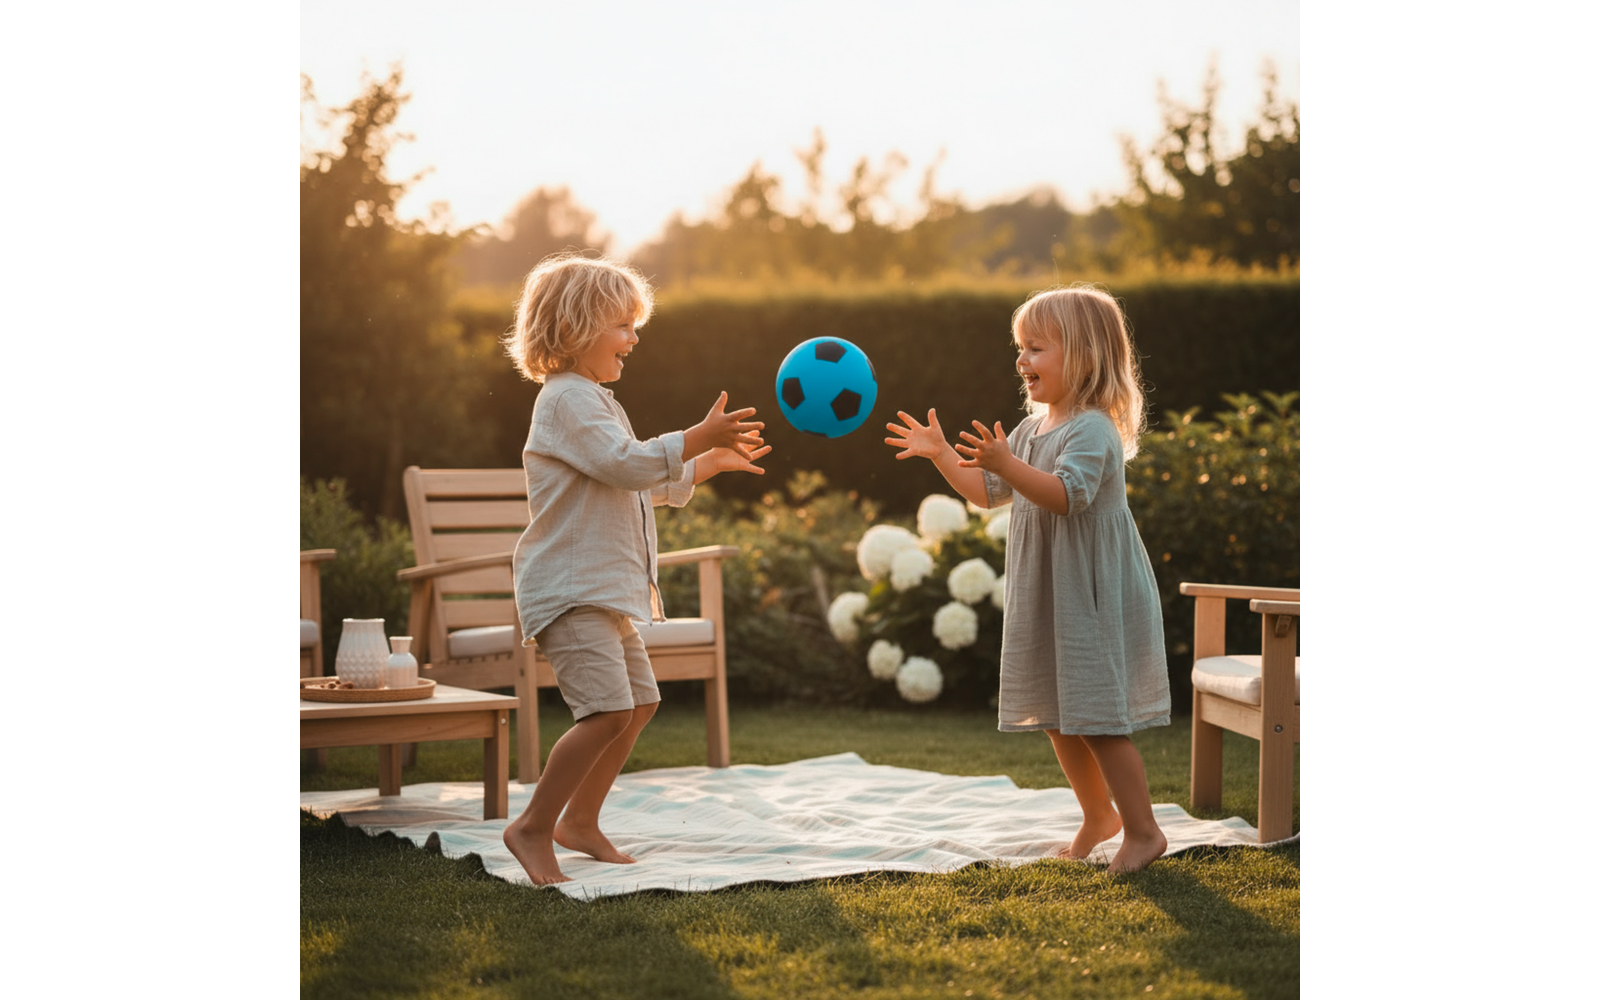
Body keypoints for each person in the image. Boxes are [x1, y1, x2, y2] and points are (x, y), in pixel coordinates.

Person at [498, 253, 769, 885]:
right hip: (570, 591)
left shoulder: (592, 400)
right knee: (605, 713)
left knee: (638, 703)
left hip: (602, 591)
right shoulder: (566, 400)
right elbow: (626, 464)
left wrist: (706, 464)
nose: (634, 338)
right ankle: (533, 826)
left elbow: (628, 479)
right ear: (577, 325)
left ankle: (580, 821)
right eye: (623, 325)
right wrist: (696, 438)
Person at [885, 284, 1171, 873]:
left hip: (1088, 593)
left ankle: (1143, 831)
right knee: (1055, 713)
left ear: (1085, 355)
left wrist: (1008, 464)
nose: (1022, 361)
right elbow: (988, 493)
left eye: (1036, 348)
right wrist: (942, 455)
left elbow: (1066, 496)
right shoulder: (1031, 427)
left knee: (1097, 717)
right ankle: (1099, 815)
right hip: (1049, 594)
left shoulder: (1092, 430)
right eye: (1020, 348)